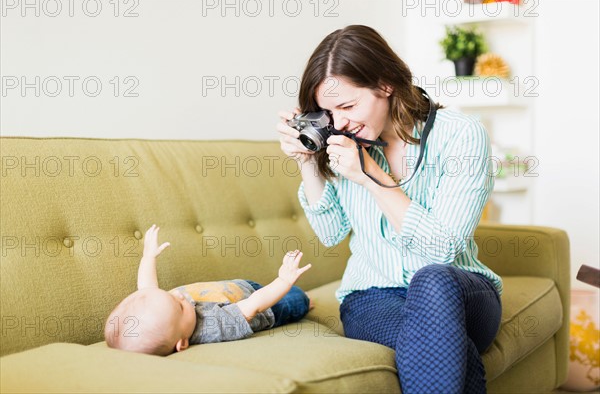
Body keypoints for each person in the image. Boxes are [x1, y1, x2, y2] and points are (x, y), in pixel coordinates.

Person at [276, 25, 503, 394]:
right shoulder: (341, 143)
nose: (340, 123)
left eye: (348, 106)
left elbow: (442, 251)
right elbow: (331, 233)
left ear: (385, 84)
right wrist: (306, 160)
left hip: (461, 292)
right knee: (439, 349)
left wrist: (370, 176)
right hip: (373, 296)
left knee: (433, 279)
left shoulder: (461, 135)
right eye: (329, 113)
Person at [104, 224, 312, 356]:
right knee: (297, 298)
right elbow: (254, 306)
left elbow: (146, 287)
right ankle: (306, 302)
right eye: (179, 306)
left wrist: (148, 256)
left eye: (169, 296)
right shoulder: (213, 325)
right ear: (182, 343)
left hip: (242, 287)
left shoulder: (165, 311)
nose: (177, 295)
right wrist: (283, 280)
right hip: (269, 307)